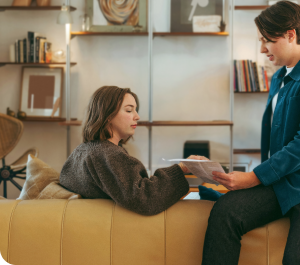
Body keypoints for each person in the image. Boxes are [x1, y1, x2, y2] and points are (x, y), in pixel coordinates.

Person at [201, 1, 300, 265]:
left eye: (268, 40)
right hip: (287, 181)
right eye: (261, 40)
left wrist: (254, 177)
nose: (262, 48)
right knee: (226, 211)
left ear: (291, 34)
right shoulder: (279, 77)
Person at [60, 86, 203, 216]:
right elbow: (146, 199)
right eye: (129, 110)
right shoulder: (108, 155)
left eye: (135, 110)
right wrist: (181, 168)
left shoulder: (83, 150)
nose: (137, 116)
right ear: (108, 115)